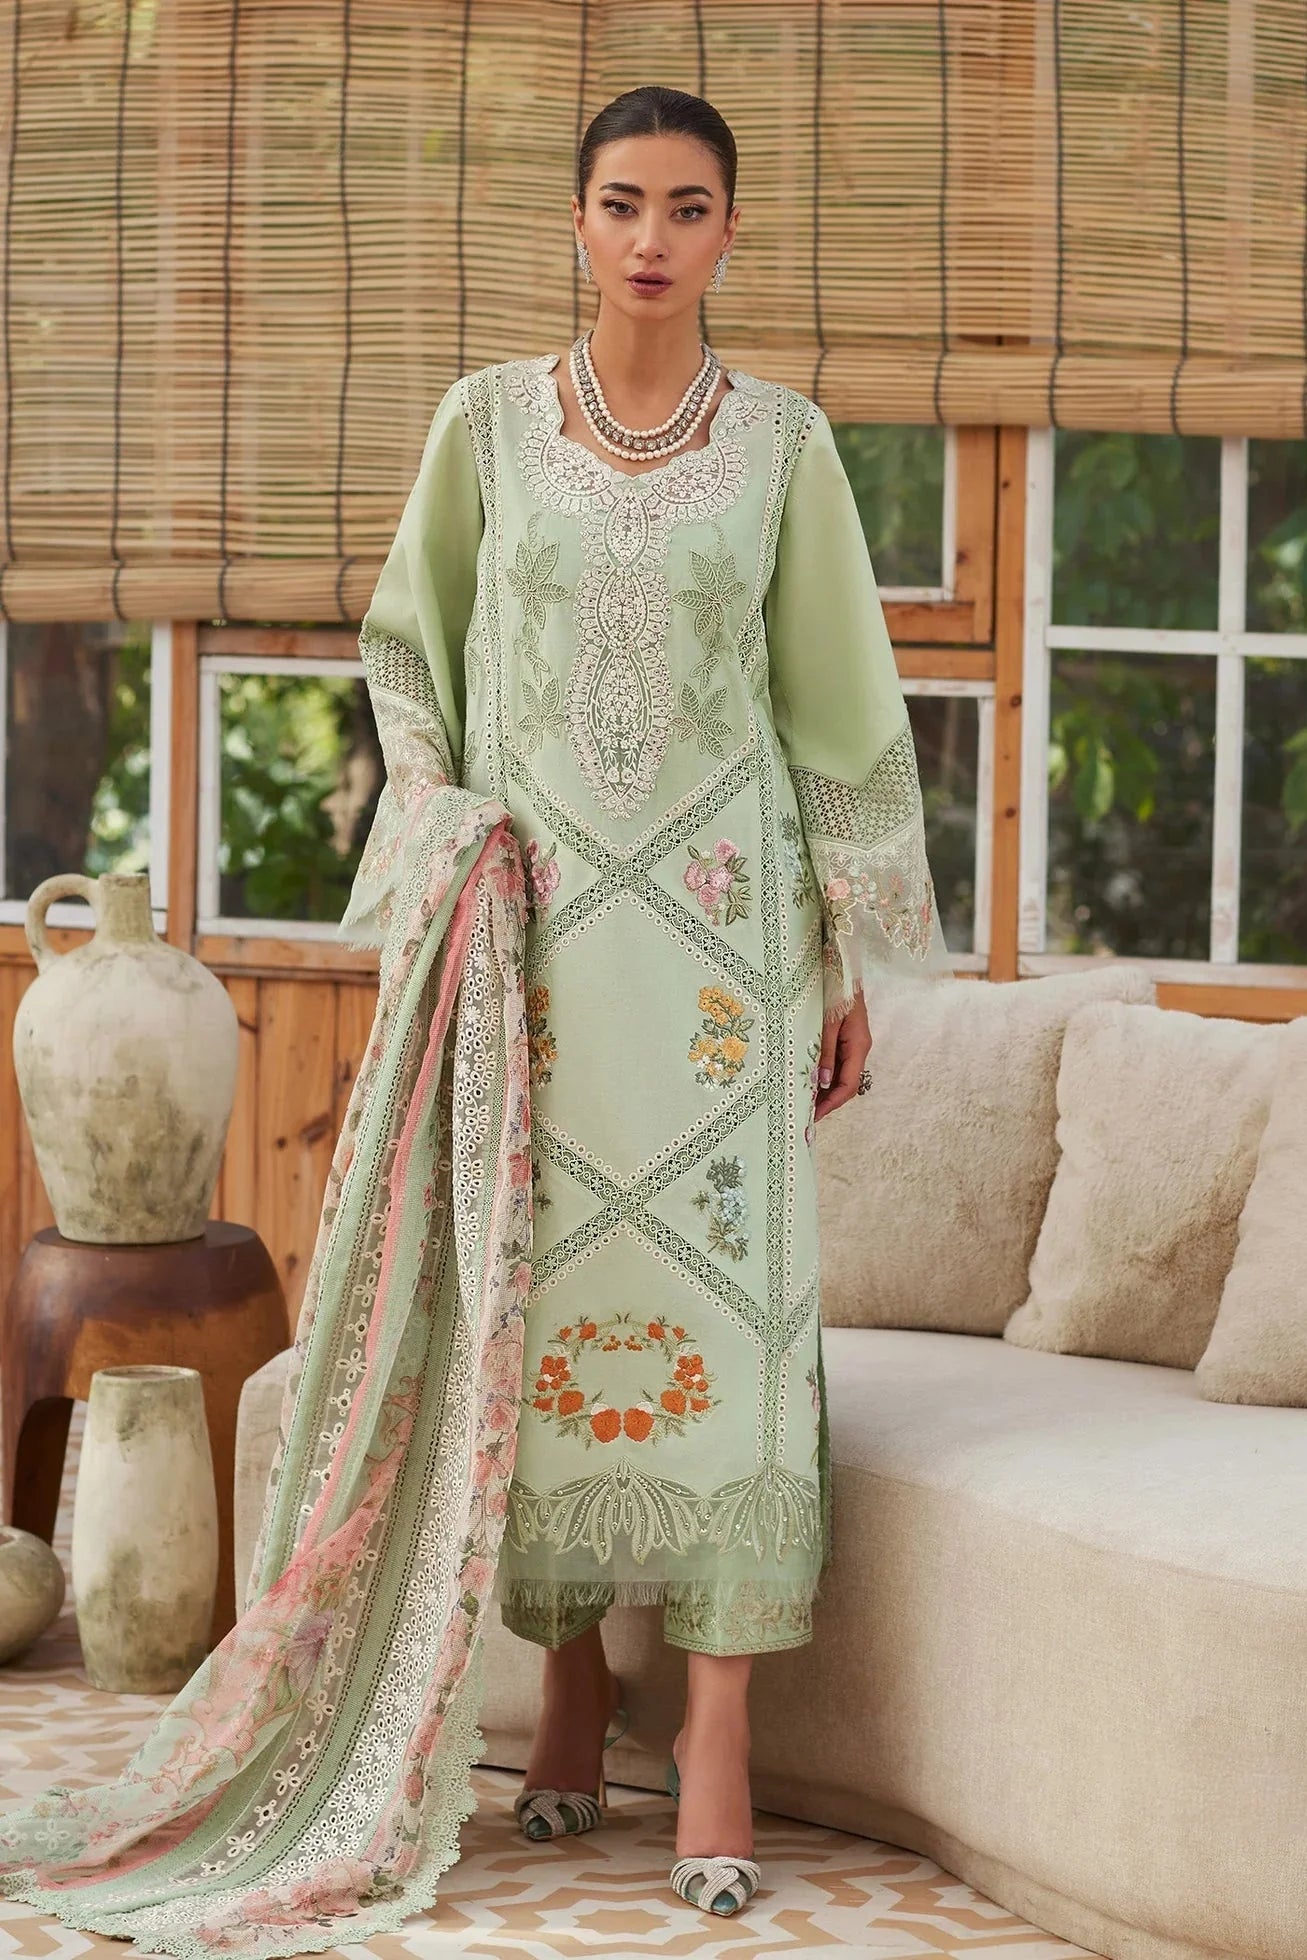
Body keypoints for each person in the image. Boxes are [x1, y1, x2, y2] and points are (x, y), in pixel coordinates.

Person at [0, 83, 949, 1954]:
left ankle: (719, 1733)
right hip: (535, 952)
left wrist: (843, 956)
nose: (654, 238)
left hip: (721, 961)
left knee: (737, 1325)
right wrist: (440, 819)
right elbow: (405, 651)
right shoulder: (488, 425)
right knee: (543, 1313)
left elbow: (839, 706)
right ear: (577, 223)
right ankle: (573, 1683)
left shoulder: (785, 447)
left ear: (731, 231)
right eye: (624, 202)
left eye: (689, 206)